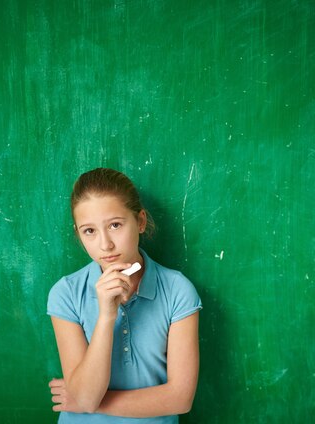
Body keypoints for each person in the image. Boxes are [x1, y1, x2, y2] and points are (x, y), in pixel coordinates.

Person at [47, 168, 202, 423]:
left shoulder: (177, 290)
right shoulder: (65, 293)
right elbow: (85, 398)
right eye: (89, 231)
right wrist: (107, 316)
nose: (105, 244)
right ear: (79, 234)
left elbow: (180, 399)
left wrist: (91, 402)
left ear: (140, 222)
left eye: (115, 225)